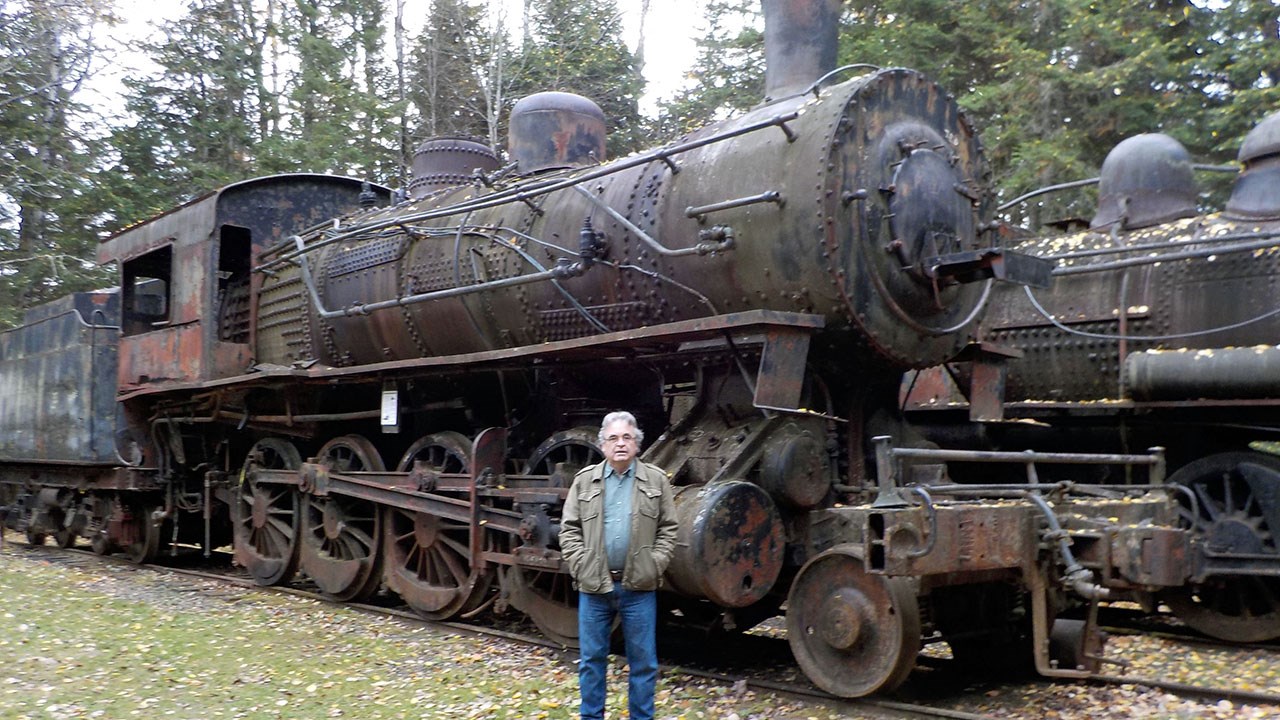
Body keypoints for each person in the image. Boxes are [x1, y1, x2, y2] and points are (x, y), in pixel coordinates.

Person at [558, 411, 678, 720]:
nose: (620, 444)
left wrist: (655, 564)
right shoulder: (585, 481)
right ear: (602, 444)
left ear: (637, 444)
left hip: (638, 586)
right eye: (613, 438)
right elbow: (569, 530)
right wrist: (582, 565)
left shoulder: (656, 480)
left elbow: (669, 529)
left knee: (644, 663)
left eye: (627, 437)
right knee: (591, 661)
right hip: (595, 585)